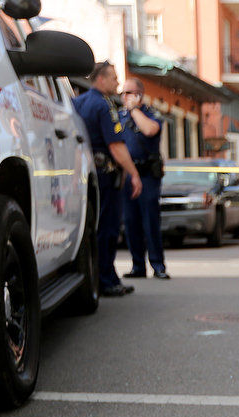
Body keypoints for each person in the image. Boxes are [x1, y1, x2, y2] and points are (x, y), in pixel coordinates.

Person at [73, 61, 142, 297]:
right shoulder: (104, 106)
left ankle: (106, 276)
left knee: (95, 228)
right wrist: (134, 173)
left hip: (88, 174)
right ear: (100, 79)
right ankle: (106, 279)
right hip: (105, 174)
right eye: (113, 77)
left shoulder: (78, 101)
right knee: (108, 229)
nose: (117, 82)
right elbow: (115, 145)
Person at [118, 78, 168, 280]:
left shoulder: (149, 113)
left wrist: (135, 110)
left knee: (150, 221)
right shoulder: (119, 116)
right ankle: (138, 266)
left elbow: (149, 130)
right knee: (130, 222)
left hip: (147, 174)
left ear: (139, 95)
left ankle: (158, 266)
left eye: (129, 93)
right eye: (123, 93)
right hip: (128, 176)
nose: (125, 97)